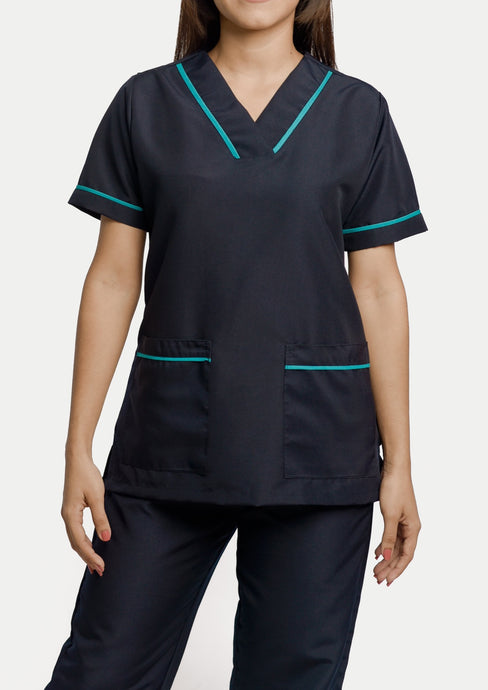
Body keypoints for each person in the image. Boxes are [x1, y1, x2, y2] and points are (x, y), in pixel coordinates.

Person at [45, 0, 427, 688]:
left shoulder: (358, 112)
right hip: (167, 448)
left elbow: (378, 289)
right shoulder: (145, 105)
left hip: (318, 456)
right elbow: (112, 278)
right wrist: (78, 446)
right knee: (101, 671)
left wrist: (398, 462)